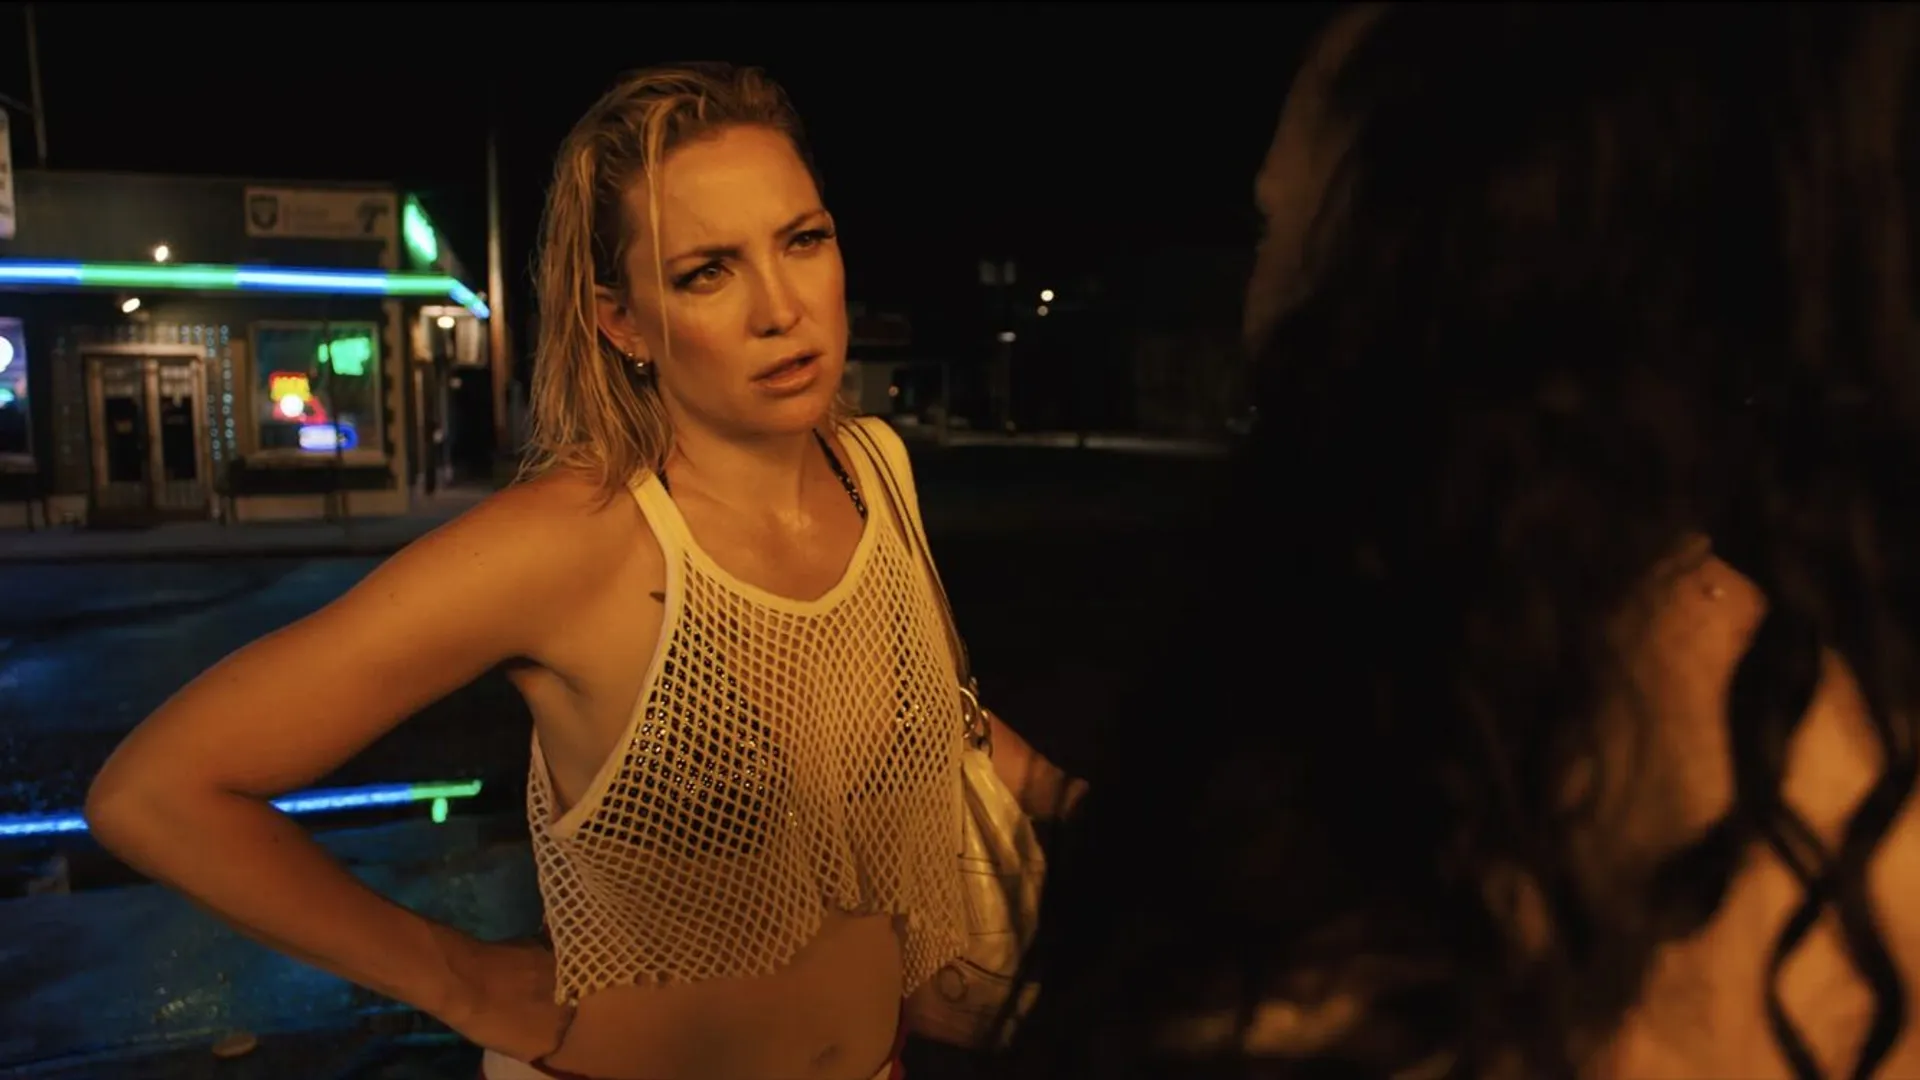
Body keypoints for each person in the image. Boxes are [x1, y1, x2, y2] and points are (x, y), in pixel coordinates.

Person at [83, 63, 1078, 1080]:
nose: (782, 308)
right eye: (707, 272)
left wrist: (1073, 799)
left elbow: (936, 709)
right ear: (622, 321)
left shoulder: (873, 467)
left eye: (802, 240)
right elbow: (158, 793)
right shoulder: (570, 541)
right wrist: (460, 980)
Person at [1005, 5, 1920, 1078]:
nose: (1252, 312)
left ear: (1399, 278)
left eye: (1271, 233)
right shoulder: (1847, 773)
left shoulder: (1359, 784)